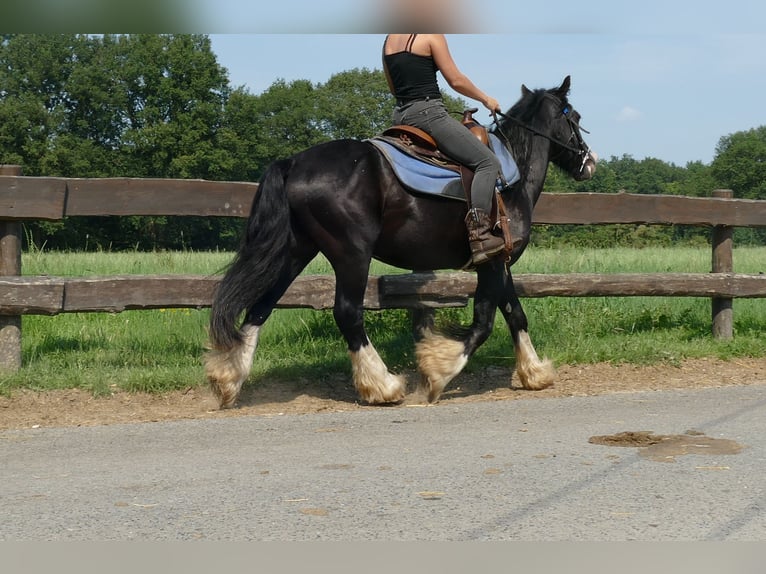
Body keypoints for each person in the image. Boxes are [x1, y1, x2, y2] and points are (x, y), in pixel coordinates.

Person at [382, 33, 505, 266]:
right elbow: (456, 80)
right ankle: (480, 235)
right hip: (429, 114)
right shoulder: (430, 36)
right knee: (488, 163)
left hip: (400, 117)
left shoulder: (389, 41)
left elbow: (392, 87)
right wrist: (486, 99)